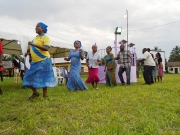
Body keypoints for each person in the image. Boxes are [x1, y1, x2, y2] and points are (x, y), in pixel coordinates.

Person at [23, 22, 56, 99]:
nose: (36, 28)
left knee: (43, 76)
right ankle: (35, 93)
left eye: (38, 26)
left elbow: (46, 48)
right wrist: (28, 52)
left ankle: (45, 94)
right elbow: (32, 48)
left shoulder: (45, 37)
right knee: (28, 76)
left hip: (44, 60)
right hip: (34, 62)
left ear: (42, 28)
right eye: (35, 26)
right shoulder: (35, 38)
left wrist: (33, 44)